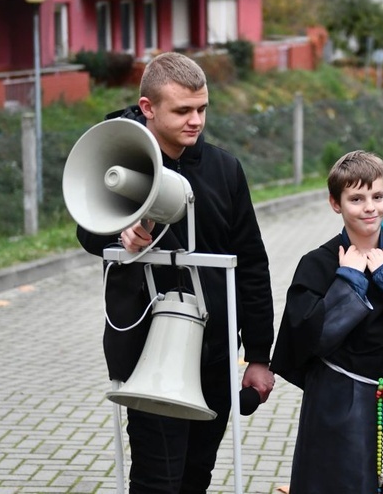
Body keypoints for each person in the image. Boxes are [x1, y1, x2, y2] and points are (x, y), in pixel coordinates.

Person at [76, 52, 275, 493]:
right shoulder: (119, 160)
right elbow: (87, 232)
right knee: (156, 479)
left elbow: (252, 265)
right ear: (148, 108)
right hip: (149, 352)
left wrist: (259, 355)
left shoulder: (224, 169)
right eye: (183, 110)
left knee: (195, 476)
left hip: (214, 354)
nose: (196, 120)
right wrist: (120, 237)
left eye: (202, 108)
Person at [270, 150, 383, 493]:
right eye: (356, 198)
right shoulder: (317, 264)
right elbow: (306, 338)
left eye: (377, 196)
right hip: (336, 400)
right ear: (335, 203)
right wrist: (350, 283)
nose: (370, 207)